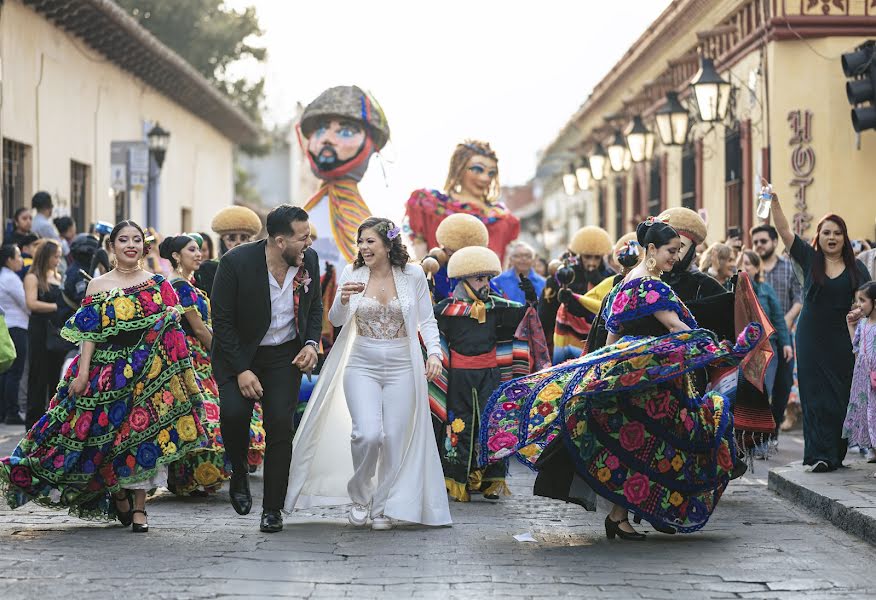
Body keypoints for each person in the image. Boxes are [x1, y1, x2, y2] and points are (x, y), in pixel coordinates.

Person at [482, 219, 761, 538]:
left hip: (633, 379)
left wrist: (602, 374)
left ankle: (625, 516)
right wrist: (718, 347)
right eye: (672, 251)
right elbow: (674, 327)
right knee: (661, 444)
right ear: (652, 249)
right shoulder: (651, 285)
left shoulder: (628, 282)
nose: (676, 257)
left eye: (679, 251)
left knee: (638, 448)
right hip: (649, 383)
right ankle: (640, 513)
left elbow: (612, 338)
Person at [0, 220, 208, 531]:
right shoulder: (98, 285)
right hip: (107, 371)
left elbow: (170, 330)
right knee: (104, 439)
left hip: (147, 375)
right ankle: (118, 494)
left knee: (140, 437)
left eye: (136, 239)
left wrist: (173, 373)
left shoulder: (158, 283)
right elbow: (89, 333)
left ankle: (140, 508)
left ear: (144, 246)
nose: (130, 245)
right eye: (123, 239)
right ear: (111, 247)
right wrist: (82, 374)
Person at [284, 217, 452, 530]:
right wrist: (344, 299)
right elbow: (334, 320)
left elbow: (427, 320)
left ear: (389, 245)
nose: (363, 247)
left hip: (403, 366)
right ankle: (360, 496)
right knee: (367, 434)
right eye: (361, 242)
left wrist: (434, 353)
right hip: (361, 363)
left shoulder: (412, 274)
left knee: (393, 438)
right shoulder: (352, 272)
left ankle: (382, 506)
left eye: (370, 241)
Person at [211, 204, 322, 533]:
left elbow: (314, 308)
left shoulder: (308, 262)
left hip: (283, 356)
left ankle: (272, 508)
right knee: (233, 414)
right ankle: (240, 471)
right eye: (303, 238)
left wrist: (311, 343)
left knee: (280, 426)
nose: (309, 243)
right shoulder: (236, 263)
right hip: (239, 353)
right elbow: (223, 321)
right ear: (279, 241)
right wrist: (242, 370)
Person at [434, 245, 547, 502]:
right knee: (459, 426)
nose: (485, 284)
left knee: (492, 423)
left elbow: (523, 320)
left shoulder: (499, 308)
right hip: (459, 379)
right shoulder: (444, 311)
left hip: (490, 376)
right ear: (463, 280)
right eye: (478, 279)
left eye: (487, 278)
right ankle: (459, 480)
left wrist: (532, 303)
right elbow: (429, 333)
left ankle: (490, 481)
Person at [770, 193, 871, 472]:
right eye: (826, 232)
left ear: (844, 237)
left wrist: (859, 311)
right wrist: (776, 203)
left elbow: (868, 299)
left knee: (840, 395)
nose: (832, 237)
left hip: (841, 337)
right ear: (819, 236)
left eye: (837, 233)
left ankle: (835, 453)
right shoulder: (810, 258)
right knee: (814, 396)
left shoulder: (856, 268)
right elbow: (784, 232)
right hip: (810, 335)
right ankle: (818, 455)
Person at [159, 234, 232, 495]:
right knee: (204, 413)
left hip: (195, 356)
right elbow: (200, 330)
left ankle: (189, 478)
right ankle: (194, 476)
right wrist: (224, 356)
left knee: (192, 413)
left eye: (199, 249)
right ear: (177, 256)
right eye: (192, 250)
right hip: (191, 357)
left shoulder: (187, 284)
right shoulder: (180, 287)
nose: (199, 254)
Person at [201, 205, 267, 474]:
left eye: (243, 237)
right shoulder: (209, 269)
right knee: (227, 409)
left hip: (255, 346)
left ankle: (247, 457)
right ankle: (232, 460)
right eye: (232, 238)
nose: (238, 242)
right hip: (219, 343)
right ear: (222, 240)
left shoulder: (264, 266)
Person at [405, 140, 520, 263]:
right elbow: (421, 257)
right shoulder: (429, 204)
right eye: (477, 169)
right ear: (459, 168)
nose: (485, 178)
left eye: (491, 173)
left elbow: (506, 264)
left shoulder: (503, 217)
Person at [751, 224, 803, 436]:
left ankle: (773, 427)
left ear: (774, 242)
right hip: (759, 340)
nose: (759, 245)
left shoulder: (789, 268)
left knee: (783, 385)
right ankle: (760, 433)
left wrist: (787, 319)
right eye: (755, 242)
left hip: (783, 336)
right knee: (762, 387)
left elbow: (800, 297)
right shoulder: (752, 270)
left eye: (763, 241)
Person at [539, 226, 615, 363]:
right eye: (587, 257)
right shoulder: (566, 274)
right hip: (567, 337)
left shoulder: (611, 277)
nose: (592, 262)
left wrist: (598, 281)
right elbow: (546, 312)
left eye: (596, 257)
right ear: (580, 255)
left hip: (597, 339)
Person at [23, 240, 68, 430]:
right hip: (40, 330)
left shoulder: (57, 276)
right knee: (38, 376)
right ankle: (33, 423)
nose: (58, 260)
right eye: (55, 256)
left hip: (56, 332)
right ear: (46, 256)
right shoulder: (33, 277)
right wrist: (57, 306)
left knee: (55, 377)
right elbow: (31, 303)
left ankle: (51, 423)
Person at [842, 282, 876, 463]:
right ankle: (872, 447)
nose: (859, 305)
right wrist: (851, 326)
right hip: (864, 378)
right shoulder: (862, 324)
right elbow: (857, 350)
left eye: (862, 300)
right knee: (868, 414)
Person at [0, 244, 28, 424]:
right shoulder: (10, 279)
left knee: (7, 372)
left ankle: (5, 411)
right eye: (18, 256)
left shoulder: (6, 276)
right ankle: (12, 412)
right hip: (16, 327)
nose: (21, 260)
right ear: (9, 260)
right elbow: (27, 304)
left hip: (9, 326)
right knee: (14, 371)